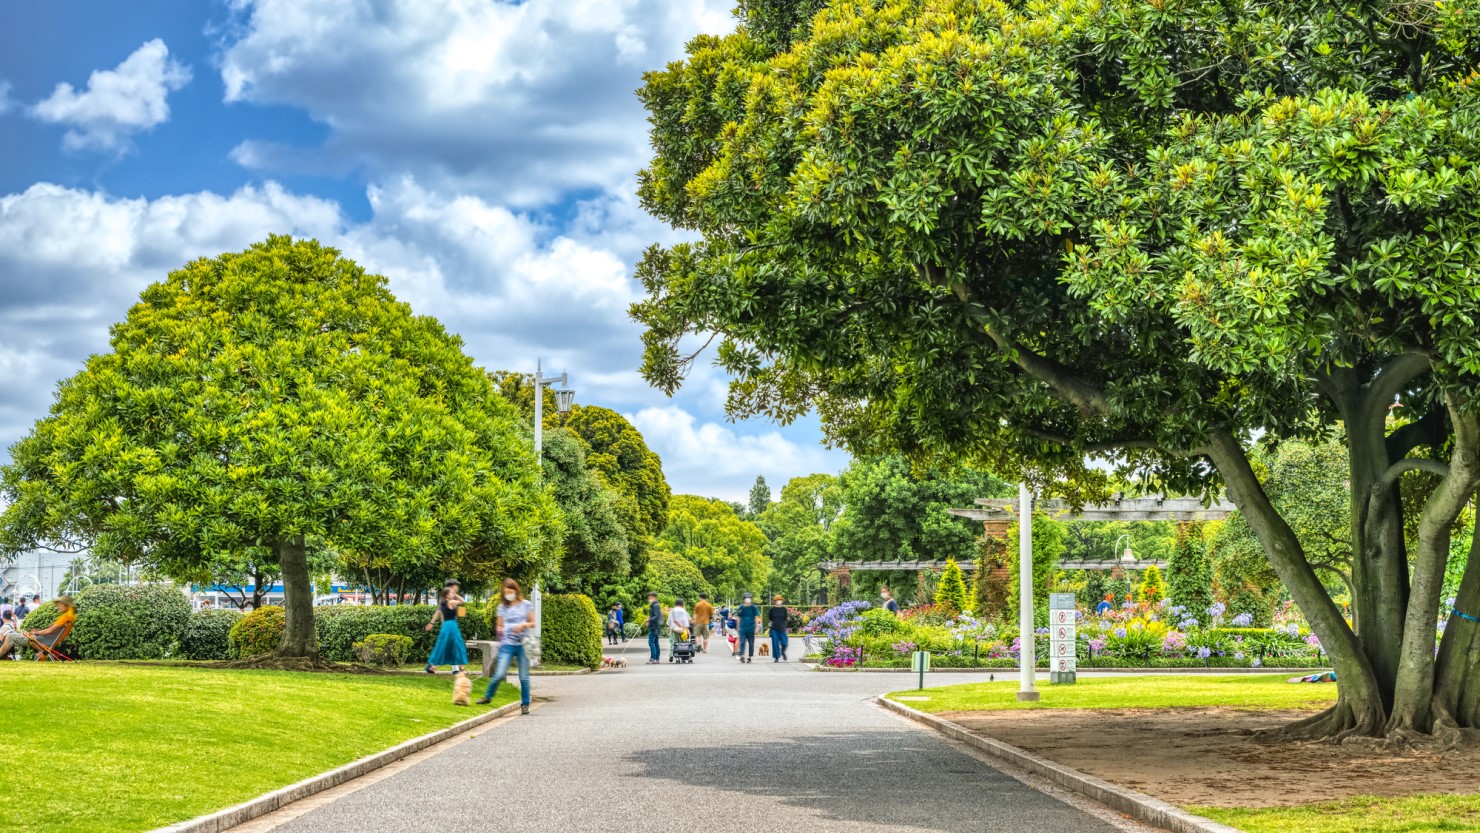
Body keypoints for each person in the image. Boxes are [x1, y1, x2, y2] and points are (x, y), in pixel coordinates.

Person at [477, 578, 534, 714]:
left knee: (524, 677)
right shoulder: (502, 607)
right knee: (499, 673)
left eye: (511, 591)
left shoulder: (526, 605)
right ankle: (488, 696)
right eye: (506, 592)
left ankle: (525, 705)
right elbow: (500, 625)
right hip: (507, 644)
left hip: (523, 645)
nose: (509, 594)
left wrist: (523, 625)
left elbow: (533, 623)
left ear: (516, 591)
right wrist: (500, 631)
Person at [424, 580, 468, 674]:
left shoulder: (442, 603)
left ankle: (433, 665)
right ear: (447, 595)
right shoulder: (451, 602)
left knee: (443, 646)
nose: (454, 591)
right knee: (455, 645)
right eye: (451, 592)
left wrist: (431, 623)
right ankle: (456, 669)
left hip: (446, 626)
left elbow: (439, 614)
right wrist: (455, 594)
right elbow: (463, 601)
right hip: (452, 626)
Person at [736, 593, 759, 663]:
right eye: (746, 598)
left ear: (751, 599)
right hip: (743, 628)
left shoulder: (753, 607)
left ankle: (749, 656)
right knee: (742, 642)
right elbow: (739, 617)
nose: (747, 599)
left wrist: (756, 627)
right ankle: (742, 655)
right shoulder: (741, 607)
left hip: (751, 628)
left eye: (749, 598)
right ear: (744, 599)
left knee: (751, 643)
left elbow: (756, 617)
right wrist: (738, 626)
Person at [768, 595, 790, 662]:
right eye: (777, 600)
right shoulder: (772, 609)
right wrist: (769, 628)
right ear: (775, 601)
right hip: (774, 628)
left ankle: (783, 651)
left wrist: (786, 627)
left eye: (780, 600)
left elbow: (786, 618)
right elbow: (770, 619)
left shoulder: (784, 609)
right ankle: (776, 657)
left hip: (782, 628)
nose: (779, 601)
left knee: (784, 643)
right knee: (775, 643)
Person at [645, 591, 663, 664]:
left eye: (651, 597)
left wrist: (649, 619)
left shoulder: (655, 605)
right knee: (656, 642)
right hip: (656, 626)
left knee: (651, 642)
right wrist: (650, 618)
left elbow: (656, 616)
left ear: (654, 597)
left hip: (654, 627)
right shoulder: (656, 605)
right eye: (649, 597)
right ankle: (657, 658)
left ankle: (653, 658)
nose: (649, 599)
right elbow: (655, 615)